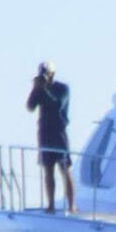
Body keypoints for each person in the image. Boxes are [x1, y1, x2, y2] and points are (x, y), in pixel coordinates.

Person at [26, 61, 76, 214]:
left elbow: (57, 105)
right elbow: (30, 107)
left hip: (59, 133)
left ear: (52, 74)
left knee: (65, 169)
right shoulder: (40, 89)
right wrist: (35, 89)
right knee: (48, 170)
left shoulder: (62, 88)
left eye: (46, 73)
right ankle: (51, 205)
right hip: (44, 133)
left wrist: (45, 90)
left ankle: (71, 206)